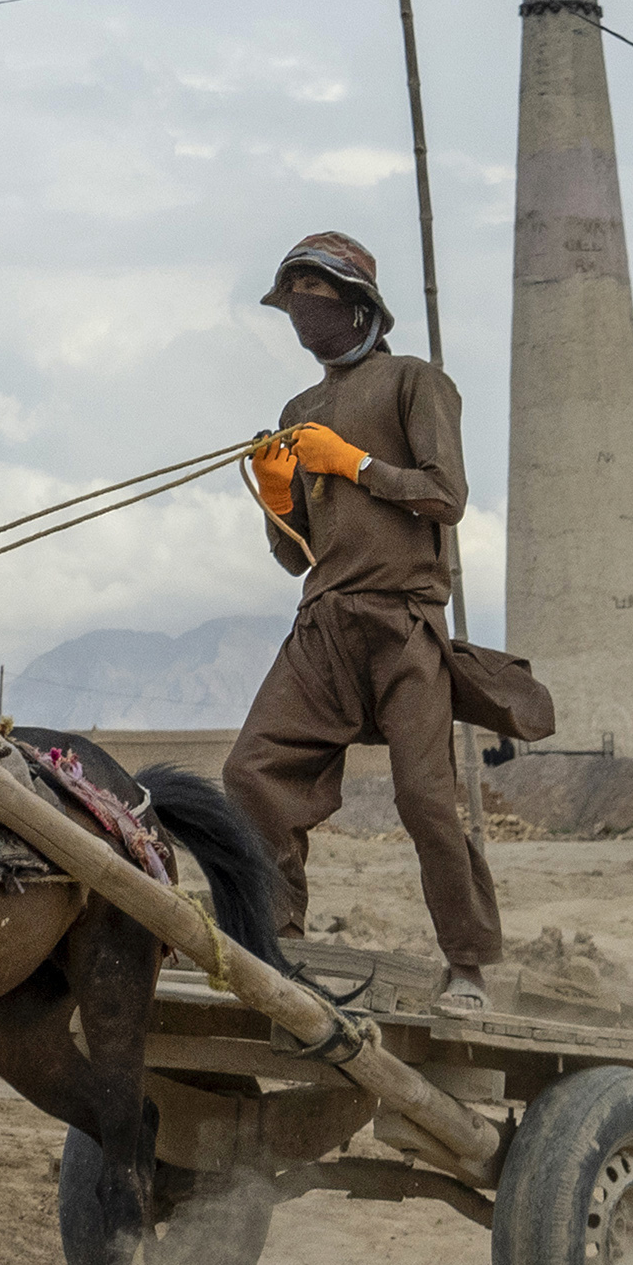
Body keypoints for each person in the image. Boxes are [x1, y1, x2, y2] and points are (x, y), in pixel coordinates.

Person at [221, 231, 502, 1017]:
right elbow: (293, 555)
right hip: (322, 624)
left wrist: (353, 463)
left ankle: (470, 963)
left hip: (402, 622)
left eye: (315, 297)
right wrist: (280, 497)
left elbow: (446, 497)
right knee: (251, 772)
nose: (303, 315)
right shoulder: (297, 411)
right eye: (293, 302)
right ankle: (273, 941)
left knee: (423, 798)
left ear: (357, 306)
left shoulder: (416, 382)